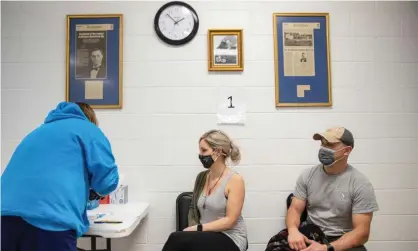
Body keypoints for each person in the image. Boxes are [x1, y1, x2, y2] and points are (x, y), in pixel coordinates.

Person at [1, 101, 119, 251]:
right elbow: (108, 181)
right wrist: (95, 195)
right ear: (90, 119)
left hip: (5, 216)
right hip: (48, 221)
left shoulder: (38, 131)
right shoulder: (89, 130)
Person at [285, 127, 379, 251]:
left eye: (330, 144)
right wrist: (293, 231)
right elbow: (295, 209)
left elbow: (362, 232)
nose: (324, 148)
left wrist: (326, 248)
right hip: (312, 233)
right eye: (323, 143)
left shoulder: (360, 183)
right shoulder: (307, 175)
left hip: (343, 239)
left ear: (347, 150)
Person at [162, 129, 248, 251]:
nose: (200, 155)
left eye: (204, 150)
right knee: (179, 240)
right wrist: (194, 231)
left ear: (218, 152)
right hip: (205, 235)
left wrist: (199, 228)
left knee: (176, 238)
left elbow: (230, 221)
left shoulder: (235, 180)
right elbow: (194, 210)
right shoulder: (202, 177)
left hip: (230, 237)